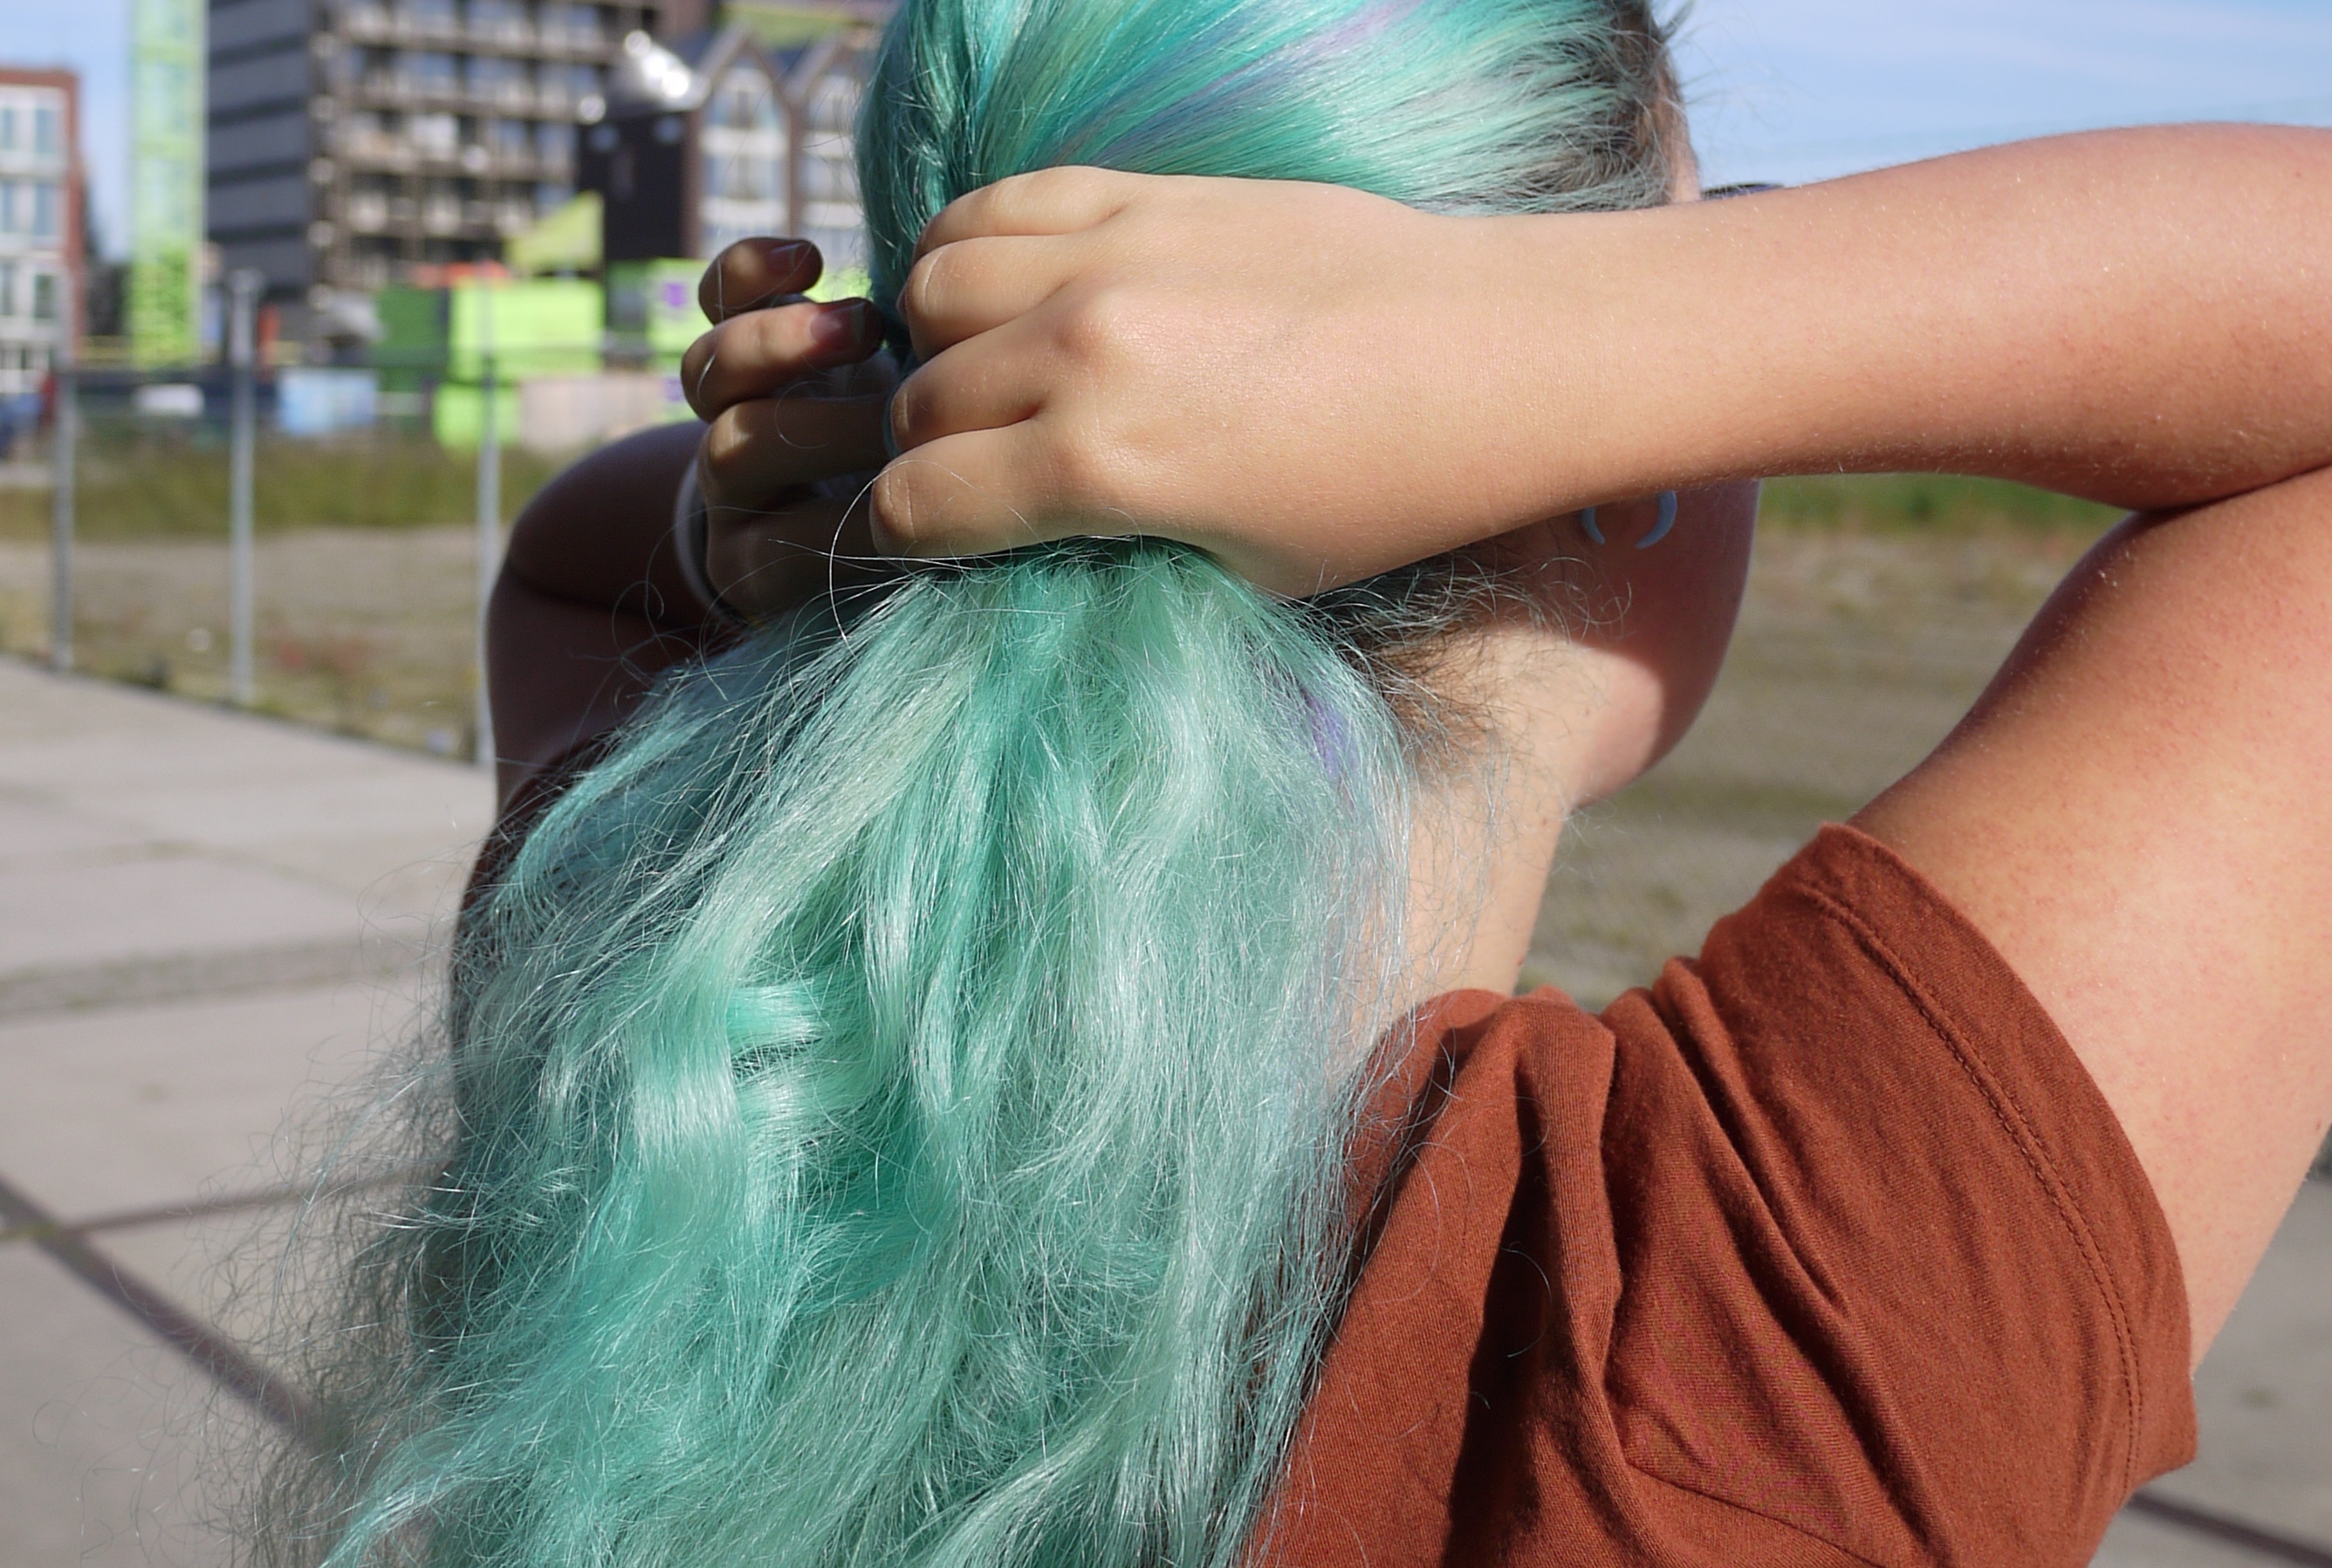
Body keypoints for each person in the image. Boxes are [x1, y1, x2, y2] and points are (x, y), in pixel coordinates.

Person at [277, 0, 2332, 1562]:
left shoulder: (677, 1054)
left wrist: (883, 458)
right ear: (1604, 454)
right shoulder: (1744, 1321)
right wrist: (1623, 335)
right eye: (1687, 265)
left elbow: (570, 566)